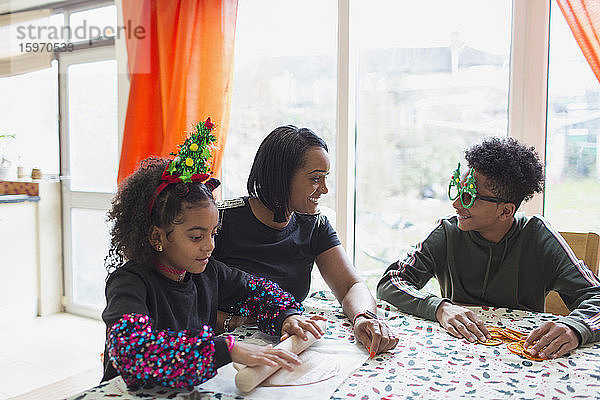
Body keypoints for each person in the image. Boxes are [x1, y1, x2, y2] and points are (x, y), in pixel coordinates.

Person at [102, 119, 324, 390]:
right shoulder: (129, 284)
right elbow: (135, 353)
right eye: (196, 236)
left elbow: (260, 291)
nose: (210, 246)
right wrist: (226, 348)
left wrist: (286, 316)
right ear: (157, 237)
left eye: (213, 234)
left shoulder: (208, 272)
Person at [377, 136, 600, 359]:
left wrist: (574, 328)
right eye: (458, 190)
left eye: (469, 197)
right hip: (456, 355)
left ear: (505, 211)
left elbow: (596, 296)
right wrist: (439, 308)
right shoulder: (448, 232)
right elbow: (391, 281)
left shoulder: (538, 236)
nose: (456, 204)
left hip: (524, 358)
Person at [213, 125, 398, 357]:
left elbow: (351, 285)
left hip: (285, 347)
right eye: (315, 179)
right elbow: (181, 294)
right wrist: (235, 322)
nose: (325, 189)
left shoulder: (314, 224)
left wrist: (363, 317)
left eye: (325, 178)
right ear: (281, 177)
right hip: (226, 348)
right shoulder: (218, 221)